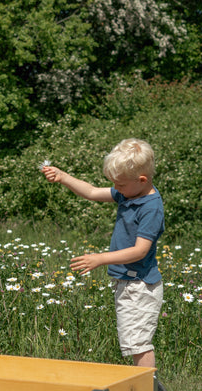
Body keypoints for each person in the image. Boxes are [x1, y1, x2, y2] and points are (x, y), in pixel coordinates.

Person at [41, 138, 164, 368]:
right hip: (126, 282)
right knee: (133, 343)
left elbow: (140, 251)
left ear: (142, 180)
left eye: (120, 185)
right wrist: (63, 177)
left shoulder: (151, 208)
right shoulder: (129, 193)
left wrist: (99, 259)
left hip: (140, 286)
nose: (116, 189)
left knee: (139, 345)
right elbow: (90, 192)